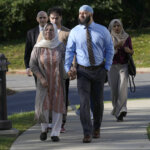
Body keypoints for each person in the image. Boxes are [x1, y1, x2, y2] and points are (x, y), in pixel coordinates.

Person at [64, 5, 114, 143]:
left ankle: (96, 128)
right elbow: (69, 51)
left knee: (98, 103)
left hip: (99, 70)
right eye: (79, 13)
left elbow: (110, 49)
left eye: (84, 13)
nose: (81, 15)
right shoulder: (74, 31)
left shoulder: (102, 30)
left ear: (91, 15)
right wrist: (67, 67)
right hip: (82, 71)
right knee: (84, 102)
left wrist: (107, 68)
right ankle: (87, 132)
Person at [37, 7, 73, 133]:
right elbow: (37, 50)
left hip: (62, 72)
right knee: (46, 98)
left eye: (56, 18)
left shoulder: (67, 33)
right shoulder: (43, 32)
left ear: (61, 18)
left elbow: (71, 52)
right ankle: (48, 122)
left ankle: (61, 122)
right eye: (52, 18)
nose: (54, 20)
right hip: (45, 72)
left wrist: (72, 68)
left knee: (62, 97)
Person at [29, 23, 66, 142]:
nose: (48, 32)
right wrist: (41, 78)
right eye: (46, 30)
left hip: (57, 81)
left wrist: (70, 70)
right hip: (43, 82)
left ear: (55, 32)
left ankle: (55, 133)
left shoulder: (60, 46)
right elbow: (33, 65)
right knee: (44, 106)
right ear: (43, 32)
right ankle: (44, 129)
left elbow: (66, 61)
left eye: (51, 30)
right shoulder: (38, 47)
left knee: (57, 106)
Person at [108, 19, 134, 122]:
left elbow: (132, 50)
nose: (117, 28)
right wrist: (116, 46)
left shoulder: (127, 37)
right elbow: (106, 52)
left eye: (118, 25)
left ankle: (122, 110)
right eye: (114, 26)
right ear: (111, 27)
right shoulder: (108, 37)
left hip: (124, 65)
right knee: (114, 90)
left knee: (122, 88)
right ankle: (117, 110)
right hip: (111, 66)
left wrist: (129, 51)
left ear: (121, 26)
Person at [24, 11, 48, 84]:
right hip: (37, 66)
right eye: (40, 17)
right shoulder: (30, 33)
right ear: (37, 19)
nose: (42, 19)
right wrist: (28, 67)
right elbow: (28, 51)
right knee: (40, 90)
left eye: (44, 17)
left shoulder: (54, 31)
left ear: (47, 19)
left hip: (52, 66)